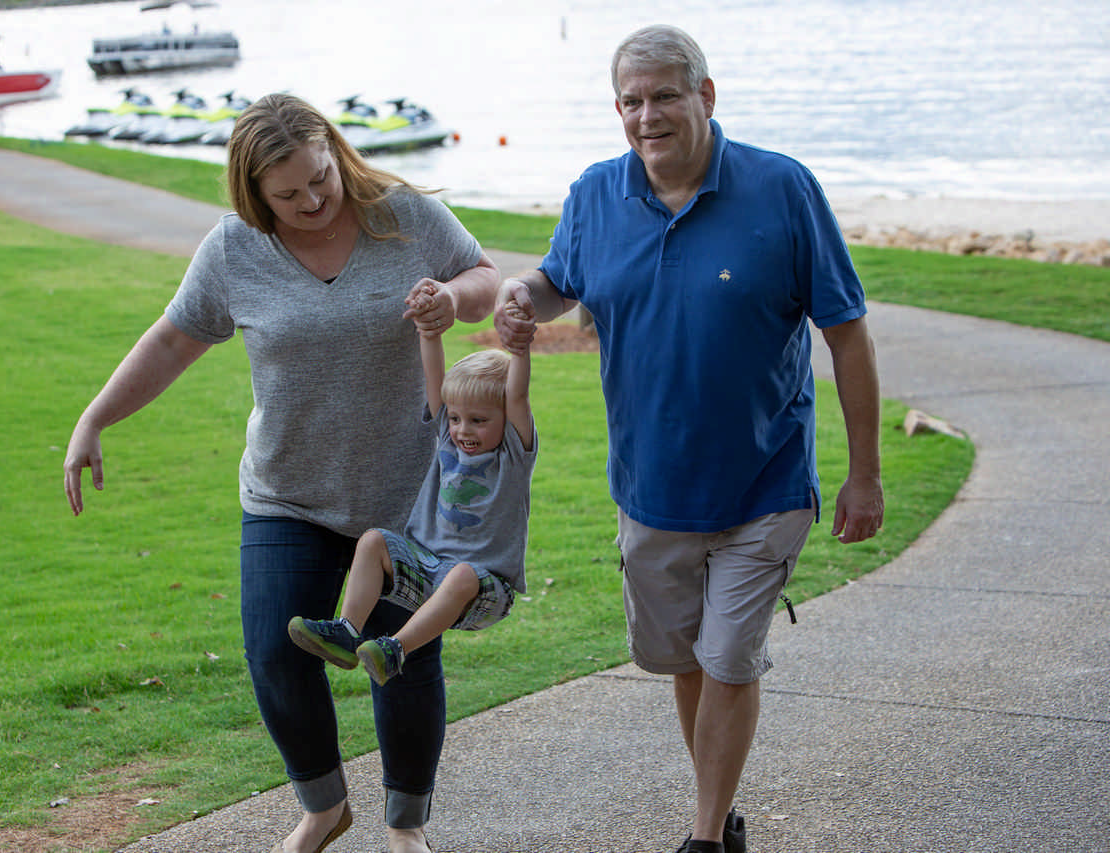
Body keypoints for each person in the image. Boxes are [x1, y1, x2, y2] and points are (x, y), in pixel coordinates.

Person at [63, 93, 499, 853]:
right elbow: (171, 342)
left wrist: (451, 300)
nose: (313, 200)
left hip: (403, 496)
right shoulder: (234, 250)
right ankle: (324, 806)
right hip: (286, 494)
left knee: (401, 656)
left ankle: (406, 827)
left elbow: (485, 277)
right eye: (288, 193)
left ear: (335, 153)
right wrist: (93, 418)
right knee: (274, 650)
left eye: (321, 178)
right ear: (254, 191)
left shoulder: (397, 215)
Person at [494, 24, 885, 853]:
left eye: (665, 95)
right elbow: (558, 280)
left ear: (706, 96)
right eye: (631, 102)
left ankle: (705, 836)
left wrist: (866, 474)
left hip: (766, 480)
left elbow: (846, 332)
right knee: (685, 662)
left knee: (731, 657)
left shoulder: (782, 189)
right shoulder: (596, 194)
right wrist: (519, 294)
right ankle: (722, 810)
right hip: (652, 486)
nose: (648, 116)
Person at [287, 286, 537, 687]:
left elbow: (518, 395)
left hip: (485, 588)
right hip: (428, 568)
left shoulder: (512, 454)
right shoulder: (446, 436)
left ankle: (395, 650)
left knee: (460, 576)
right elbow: (434, 378)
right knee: (371, 541)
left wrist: (520, 351)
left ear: (505, 418)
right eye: (455, 418)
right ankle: (347, 632)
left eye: (477, 420)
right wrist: (429, 333)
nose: (462, 430)